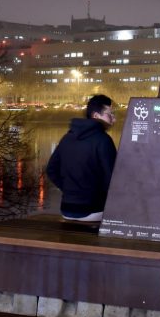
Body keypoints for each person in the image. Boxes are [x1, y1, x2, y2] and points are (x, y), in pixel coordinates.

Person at [46, 94, 118, 222]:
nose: (114, 118)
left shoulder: (67, 138)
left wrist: (68, 189)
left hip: (66, 209)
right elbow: (112, 178)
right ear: (96, 116)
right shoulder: (103, 140)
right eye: (109, 114)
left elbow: (51, 169)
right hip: (93, 210)